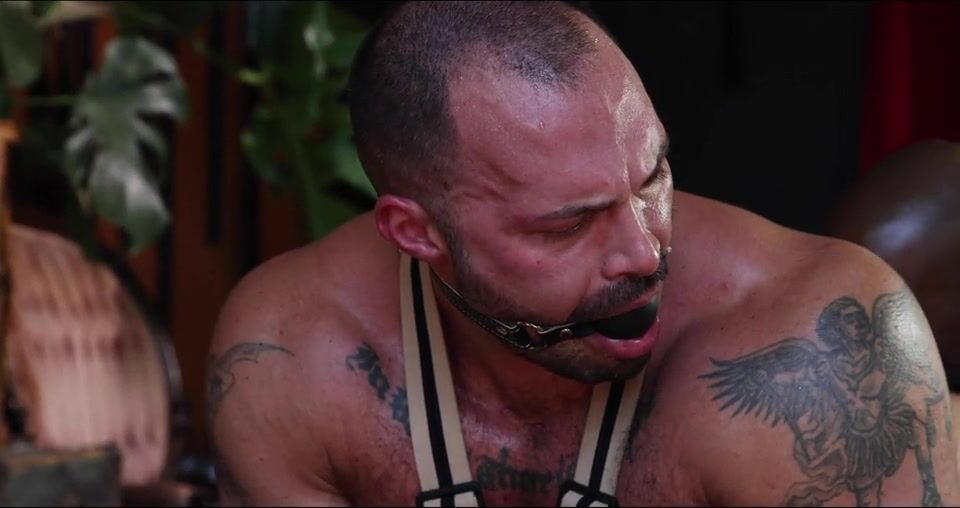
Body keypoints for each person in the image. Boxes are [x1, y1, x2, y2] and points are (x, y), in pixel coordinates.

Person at [207, 2, 960, 506]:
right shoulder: (291, 358)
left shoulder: (808, 351)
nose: (645, 250)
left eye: (652, 177)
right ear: (416, 233)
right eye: (568, 225)